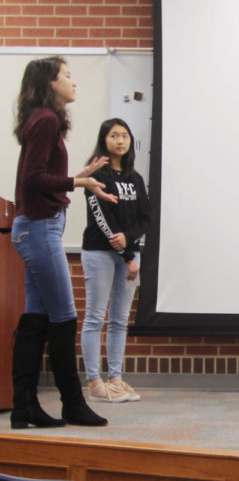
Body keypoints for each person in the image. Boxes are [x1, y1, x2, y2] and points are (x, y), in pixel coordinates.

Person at [10, 56, 115, 428]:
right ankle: (72, 403)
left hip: (38, 226)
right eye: (67, 76)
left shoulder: (41, 119)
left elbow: (37, 177)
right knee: (65, 315)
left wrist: (77, 176)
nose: (74, 82)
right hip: (39, 229)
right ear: (50, 82)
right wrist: (78, 183)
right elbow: (33, 180)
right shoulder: (47, 119)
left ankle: (24, 408)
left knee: (37, 318)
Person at [80, 118, 150, 403]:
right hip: (99, 253)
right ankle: (95, 382)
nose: (120, 141)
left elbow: (145, 217)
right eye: (114, 136)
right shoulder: (98, 173)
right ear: (104, 140)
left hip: (129, 256)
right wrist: (125, 252)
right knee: (96, 316)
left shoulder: (135, 178)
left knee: (120, 320)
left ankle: (116, 379)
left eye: (124, 136)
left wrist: (130, 247)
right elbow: (103, 218)